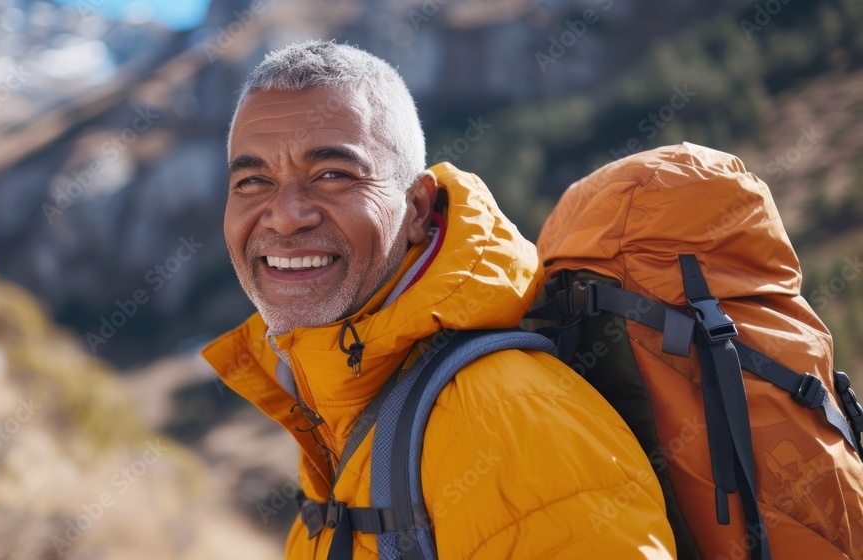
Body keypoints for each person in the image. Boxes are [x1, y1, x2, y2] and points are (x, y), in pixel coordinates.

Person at [201, 40, 676, 559]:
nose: (286, 215)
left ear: (417, 207)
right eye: (253, 180)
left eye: (333, 175)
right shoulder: (339, 413)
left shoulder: (504, 420)